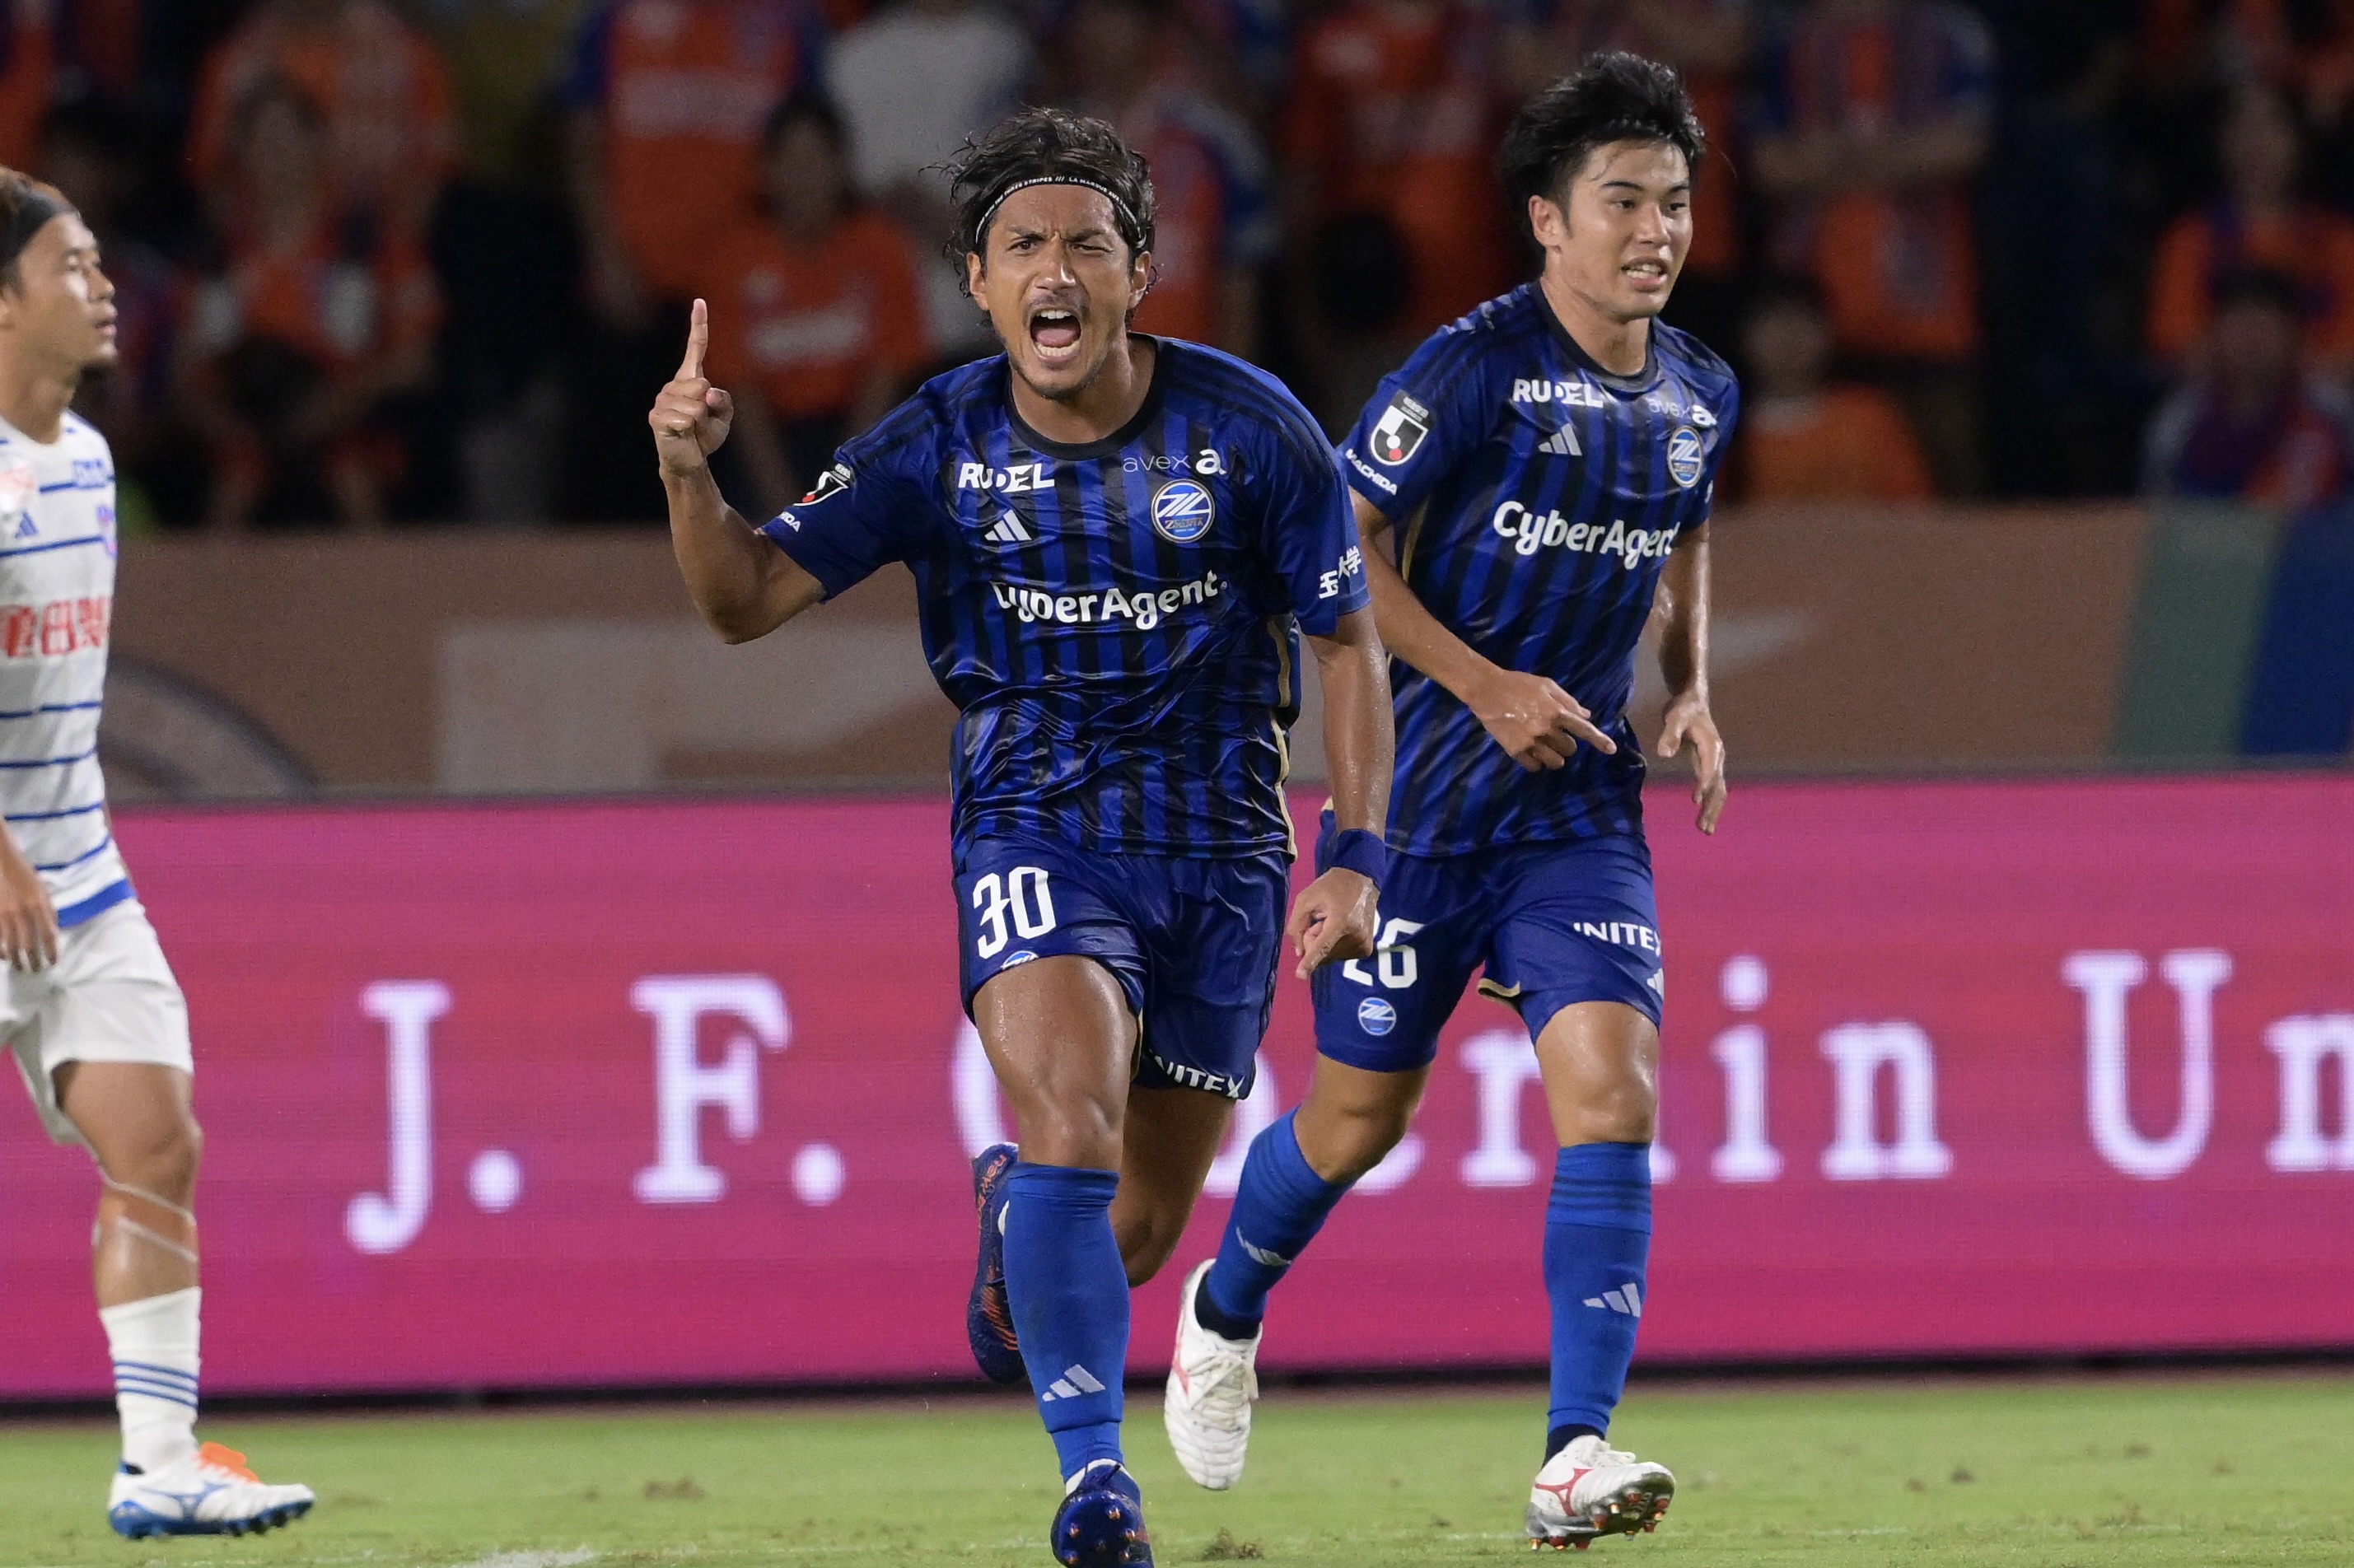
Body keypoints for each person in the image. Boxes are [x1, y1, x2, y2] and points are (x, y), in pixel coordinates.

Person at [649, 107, 1391, 1566]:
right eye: (1023, 247)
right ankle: (1094, 1483)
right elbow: (741, 602)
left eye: (1086, 244)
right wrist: (688, 473)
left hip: (1222, 852)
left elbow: (1346, 644)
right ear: (979, 286)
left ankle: (1013, 1219)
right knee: (1067, 1121)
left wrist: (1356, 852)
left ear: (1138, 274)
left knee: (1134, 1230)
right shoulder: (935, 441)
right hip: (1034, 823)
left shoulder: (1252, 431)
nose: (1055, 270)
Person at [1161, 54, 1736, 1552]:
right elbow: (1335, 549)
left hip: (1574, 812)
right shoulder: (1468, 370)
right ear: (1547, 219)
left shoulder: (1698, 388)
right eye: (1622, 202)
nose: (1655, 231)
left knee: (1614, 1090)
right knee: (1356, 1121)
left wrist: (1684, 686)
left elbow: (1680, 534)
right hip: (1418, 804)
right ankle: (1224, 1309)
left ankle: (1571, 1454)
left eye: (1674, 203)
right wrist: (1482, 684)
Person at [0, 166, 315, 1537]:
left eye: (98, 261)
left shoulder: (85, 457)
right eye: (69, 267)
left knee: (157, 1144)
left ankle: (160, 1464)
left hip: (79, 878)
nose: (103, 287)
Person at [174, 77, 441, 530]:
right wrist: (232, 428)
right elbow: (186, 375)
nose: (275, 152)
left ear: (318, 141)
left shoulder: (371, 246)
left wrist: (340, 402)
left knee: (348, 466)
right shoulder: (215, 258)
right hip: (242, 443)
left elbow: (416, 361)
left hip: (352, 432)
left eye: (287, 134)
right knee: (237, 474)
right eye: (260, 138)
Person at [1750, 0, 1992, 495]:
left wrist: (1834, 161)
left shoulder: (1950, 34)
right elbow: (1770, 165)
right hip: (1817, 312)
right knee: (1820, 479)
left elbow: (1963, 147)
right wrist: (1898, 159)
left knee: (1949, 481)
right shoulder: (1788, 43)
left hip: (1930, 315)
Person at [699, 91, 932, 518]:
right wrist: (782, 502)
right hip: (769, 440)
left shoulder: (882, 249)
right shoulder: (733, 260)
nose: (804, 179)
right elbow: (738, 391)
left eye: (816, 161)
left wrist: (839, 485)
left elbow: (886, 374)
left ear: (841, 166)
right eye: (790, 163)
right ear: (767, 171)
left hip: (860, 432)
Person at [1057, 0, 1275, 357]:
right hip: (1079, 369)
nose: (1098, 33)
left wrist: (1229, 376)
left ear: (1151, 28)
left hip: (1185, 365)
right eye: (1088, 18)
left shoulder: (1214, 140)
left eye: (1112, 16)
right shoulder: (1050, 144)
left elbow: (1240, 276)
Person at [2147, 86, 2354, 378]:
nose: (2256, 142)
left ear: (2299, 140)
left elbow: (2347, 350)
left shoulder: (2337, 239)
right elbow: (2173, 342)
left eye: (2272, 127)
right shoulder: (2190, 238)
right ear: (2221, 140)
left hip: (2317, 394)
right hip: (2217, 394)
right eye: (2243, 126)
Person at [2144, 264, 2354, 510]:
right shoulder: (2182, 416)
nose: (2251, 339)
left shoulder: (2333, 409)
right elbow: (2155, 507)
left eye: (2266, 325)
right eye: (2239, 324)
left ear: (2296, 334)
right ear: (2214, 334)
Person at [1735, 273, 1931, 502]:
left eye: (1802, 323)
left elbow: (1914, 506)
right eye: (1773, 326)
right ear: (1745, 338)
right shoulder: (1719, 429)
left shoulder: (1870, 417)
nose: (1789, 339)